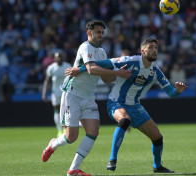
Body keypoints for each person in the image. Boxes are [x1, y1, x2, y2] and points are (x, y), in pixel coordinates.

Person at [68, 38, 188, 173]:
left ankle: (158, 167)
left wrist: (177, 91)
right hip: (116, 102)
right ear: (143, 51)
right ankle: (112, 159)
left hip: (135, 106)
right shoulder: (129, 61)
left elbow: (170, 92)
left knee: (158, 138)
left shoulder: (156, 71)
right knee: (125, 120)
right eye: (151, 47)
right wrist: (80, 68)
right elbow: (101, 63)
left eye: (156, 47)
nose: (155, 50)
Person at [41, 20, 132, 176]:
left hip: (89, 97)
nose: (101, 35)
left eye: (102, 33)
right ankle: (53, 144)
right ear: (89, 33)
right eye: (98, 32)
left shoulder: (102, 52)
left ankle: (73, 170)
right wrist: (116, 73)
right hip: (73, 94)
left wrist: (120, 76)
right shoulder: (85, 47)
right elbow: (91, 69)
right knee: (71, 137)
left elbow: (105, 79)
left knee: (93, 131)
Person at [42, 52, 71, 137]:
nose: (58, 59)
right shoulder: (51, 68)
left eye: (60, 57)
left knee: (67, 110)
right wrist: (44, 92)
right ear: (54, 58)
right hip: (55, 93)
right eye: (57, 57)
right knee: (57, 110)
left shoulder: (67, 66)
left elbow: (72, 78)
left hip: (66, 92)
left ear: (63, 57)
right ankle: (59, 130)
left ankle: (67, 128)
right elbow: (47, 80)